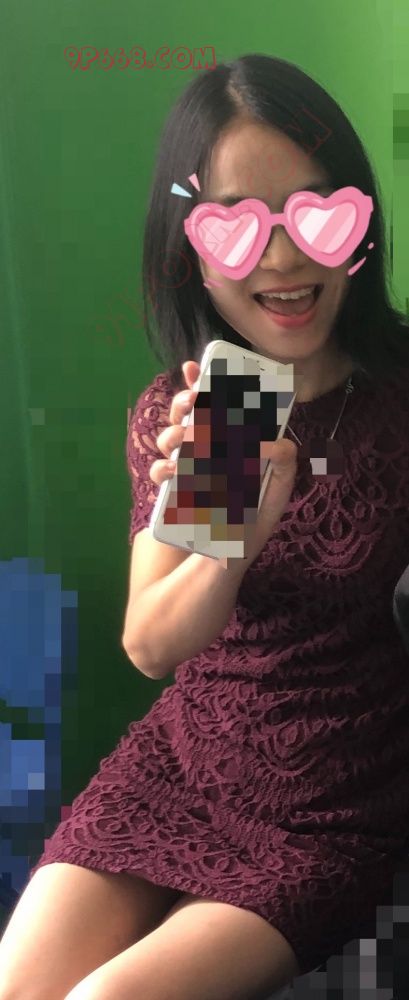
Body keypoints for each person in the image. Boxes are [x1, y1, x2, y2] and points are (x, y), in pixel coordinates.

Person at [2, 52, 409, 1000]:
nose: (283, 260)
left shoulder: (396, 398)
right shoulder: (224, 407)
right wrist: (241, 528)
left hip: (327, 806)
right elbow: (152, 644)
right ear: (192, 246)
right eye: (240, 226)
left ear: (355, 223)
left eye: (312, 213)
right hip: (183, 765)